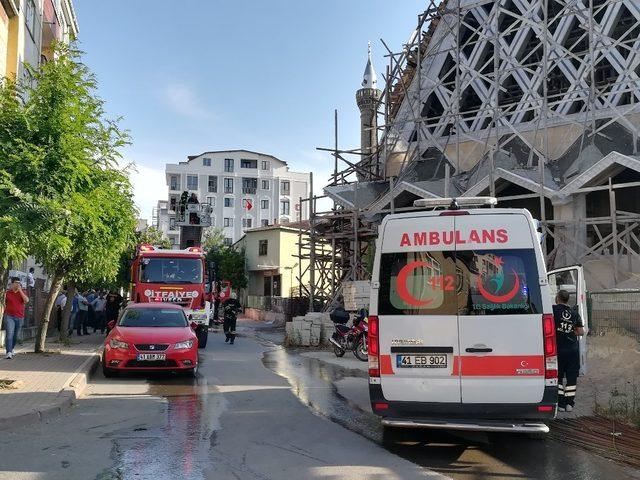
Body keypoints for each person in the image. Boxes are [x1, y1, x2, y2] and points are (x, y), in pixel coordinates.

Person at [553, 289, 585, 412]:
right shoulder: (575, 313)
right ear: (568, 299)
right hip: (572, 350)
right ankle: (569, 404)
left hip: (559, 350)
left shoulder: (554, 310)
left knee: (559, 377)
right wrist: (571, 331)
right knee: (571, 378)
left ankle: (560, 404)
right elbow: (581, 332)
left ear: (557, 298)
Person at [3, 277, 29, 359]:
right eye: (16, 282)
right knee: (9, 334)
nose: (18, 284)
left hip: (19, 317)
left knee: (16, 336)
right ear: (12, 283)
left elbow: (26, 300)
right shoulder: (7, 293)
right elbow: (4, 303)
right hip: (9, 316)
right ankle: (9, 352)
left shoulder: (23, 292)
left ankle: (12, 348)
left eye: (19, 282)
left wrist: (20, 290)